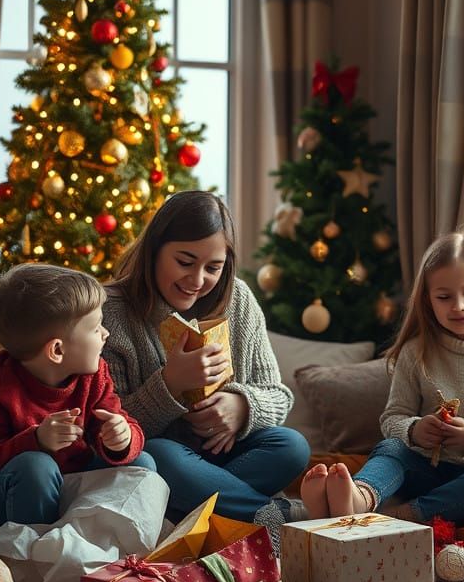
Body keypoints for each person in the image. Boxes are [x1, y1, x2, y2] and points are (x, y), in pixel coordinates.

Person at [101, 190, 310, 531]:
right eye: (184, 262)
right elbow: (110, 429)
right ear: (155, 251)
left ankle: (193, 512)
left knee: (291, 446)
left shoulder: (238, 299)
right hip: (161, 460)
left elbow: (278, 394)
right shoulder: (112, 312)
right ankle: (275, 519)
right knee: (159, 456)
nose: (197, 281)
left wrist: (241, 407)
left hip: (222, 455)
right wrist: (170, 385)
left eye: (213, 267)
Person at [301, 228, 464, 526]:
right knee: (391, 449)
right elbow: (392, 419)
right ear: (428, 301)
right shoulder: (417, 352)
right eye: (444, 297)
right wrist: (414, 430)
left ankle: (402, 517)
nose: (459, 305)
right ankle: (359, 497)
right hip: (426, 469)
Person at [0, 263, 155, 533]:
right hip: (12, 501)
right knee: (36, 466)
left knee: (142, 462)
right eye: (96, 327)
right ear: (57, 350)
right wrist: (36, 441)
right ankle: (32, 557)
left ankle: (109, 546)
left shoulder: (93, 374)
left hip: (70, 483)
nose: (105, 334)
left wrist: (121, 437)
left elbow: (118, 420)